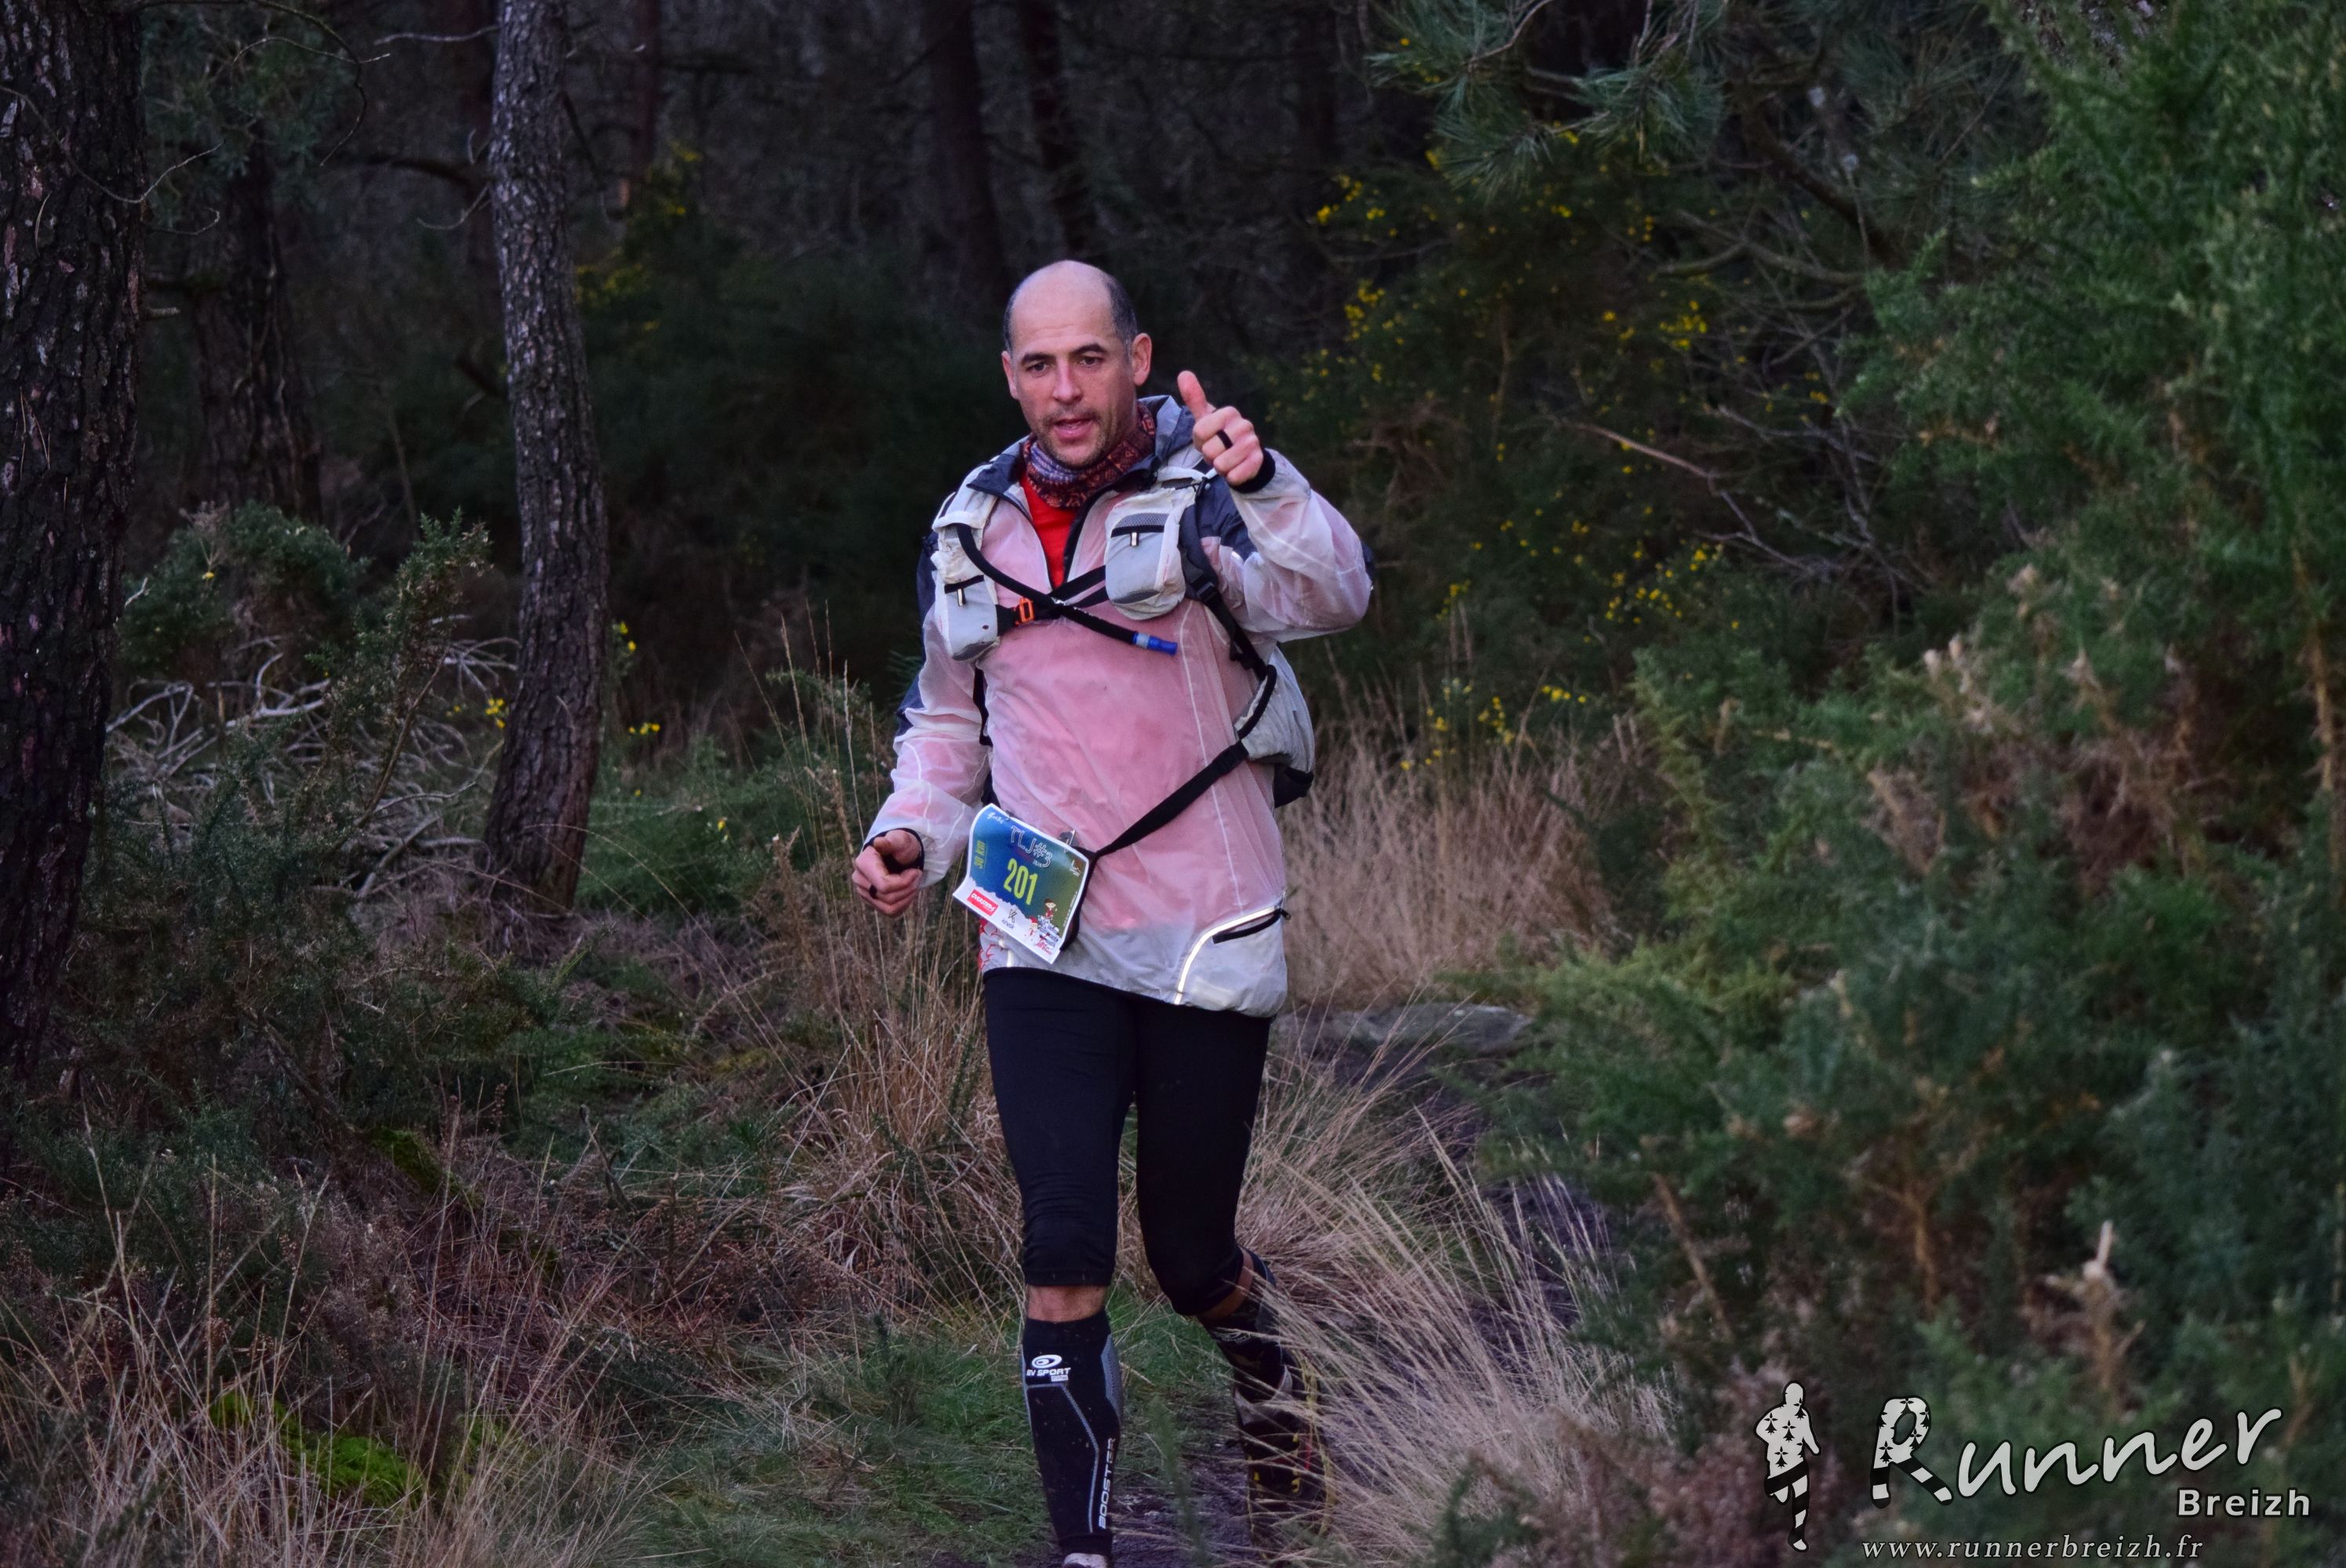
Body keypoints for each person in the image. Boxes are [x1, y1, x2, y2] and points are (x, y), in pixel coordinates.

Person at [850, 259, 1371, 1566]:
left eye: (1090, 359)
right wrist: (908, 833)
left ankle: (1274, 1384)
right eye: (1040, 364)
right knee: (1064, 1246)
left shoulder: (1208, 491)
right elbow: (947, 730)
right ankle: (1084, 1553)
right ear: (1010, 377)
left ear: (1136, 361)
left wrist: (1267, 482)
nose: (1067, 389)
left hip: (1204, 927)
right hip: (1039, 936)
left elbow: (1333, 596)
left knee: (1189, 1256)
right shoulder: (970, 527)